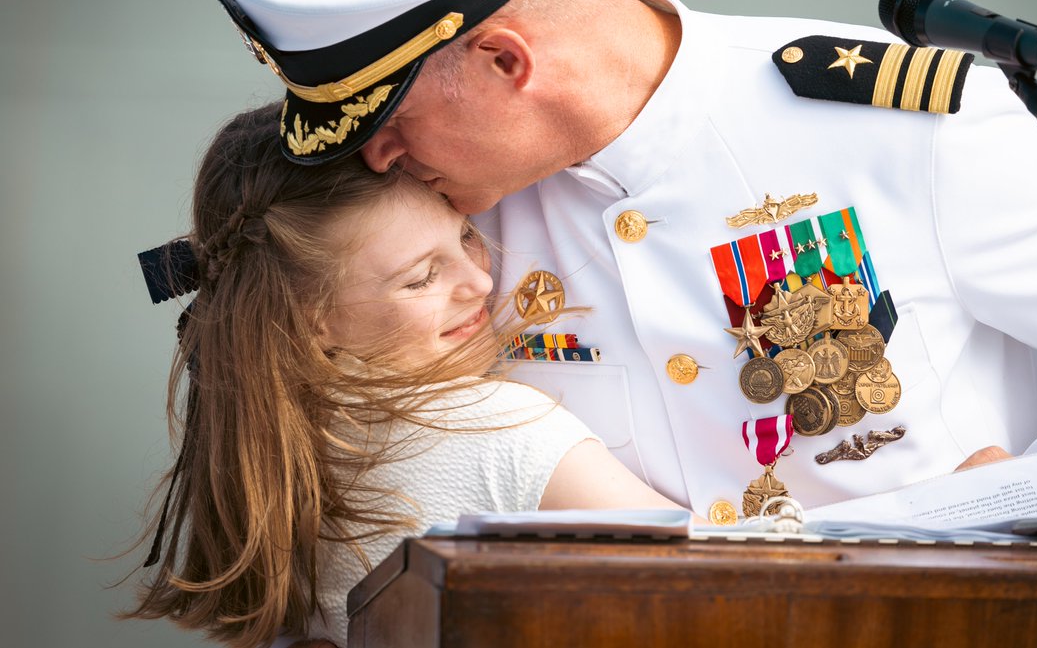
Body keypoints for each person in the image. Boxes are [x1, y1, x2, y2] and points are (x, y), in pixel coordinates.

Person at [205, 0, 1037, 527]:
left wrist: (1000, 510)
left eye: (384, 115)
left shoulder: (894, 120)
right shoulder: (436, 229)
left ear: (506, 60)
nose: (375, 154)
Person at [124, 103, 683, 648]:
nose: (479, 283)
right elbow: (722, 584)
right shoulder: (500, 427)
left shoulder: (273, 449)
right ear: (310, 319)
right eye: (420, 279)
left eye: (466, 235)